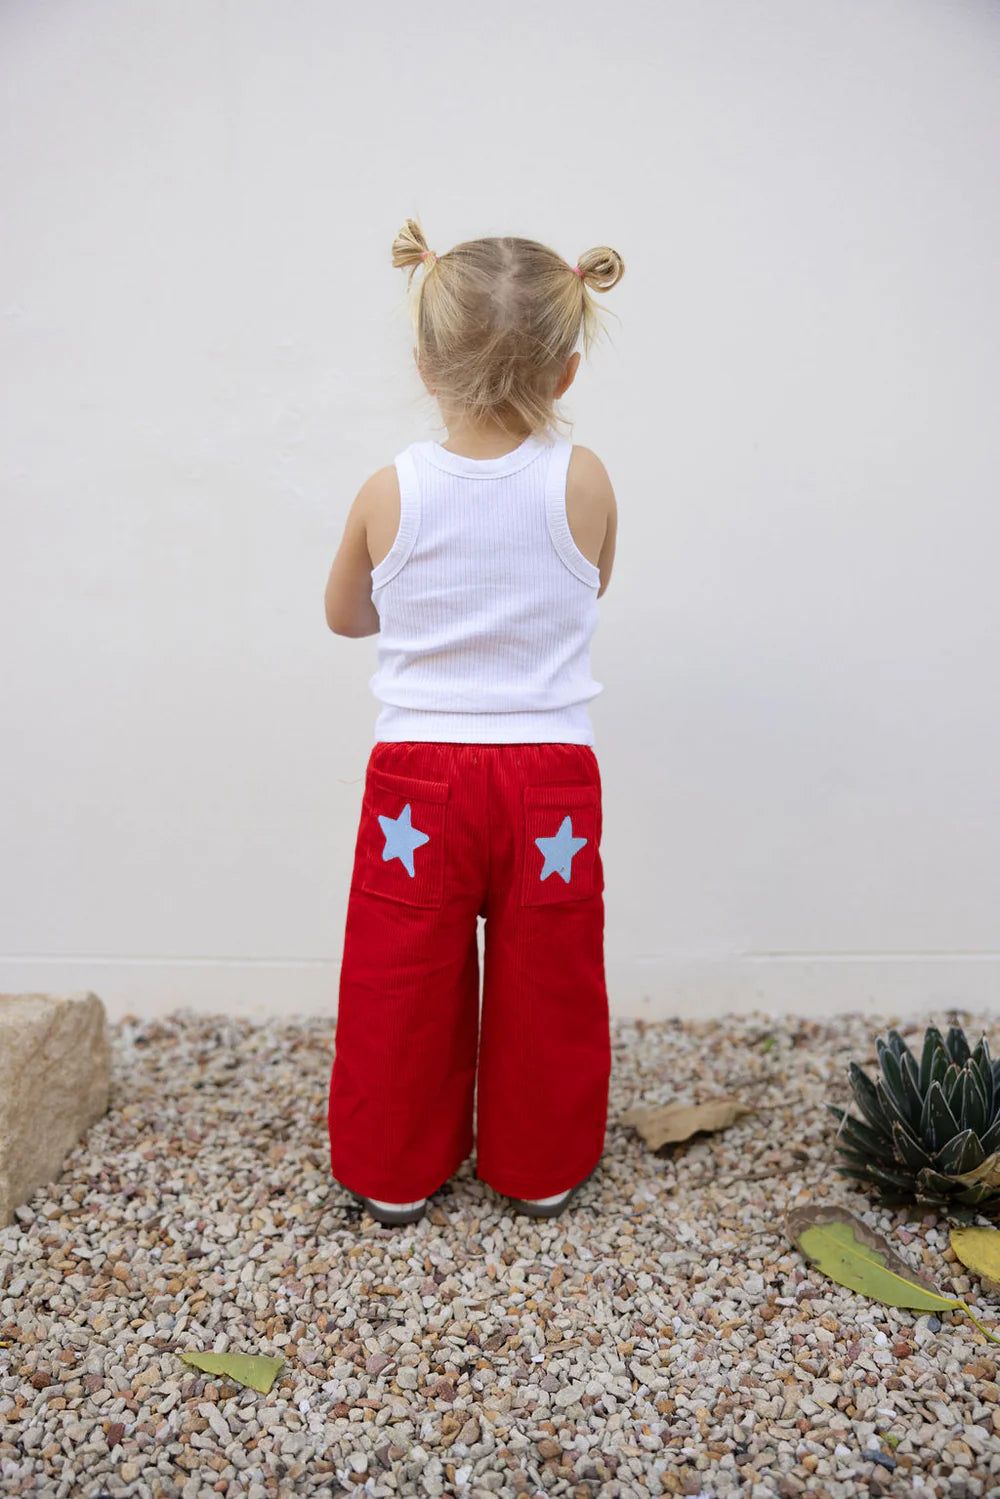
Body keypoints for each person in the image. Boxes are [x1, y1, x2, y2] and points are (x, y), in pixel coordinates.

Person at [324, 218, 623, 1226]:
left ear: (425, 362)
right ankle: (540, 1162)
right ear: (568, 368)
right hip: (549, 780)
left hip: (420, 780)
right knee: (552, 970)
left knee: (400, 969)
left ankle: (392, 1166)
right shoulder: (583, 479)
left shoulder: (389, 490)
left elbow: (345, 615)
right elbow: (587, 589)